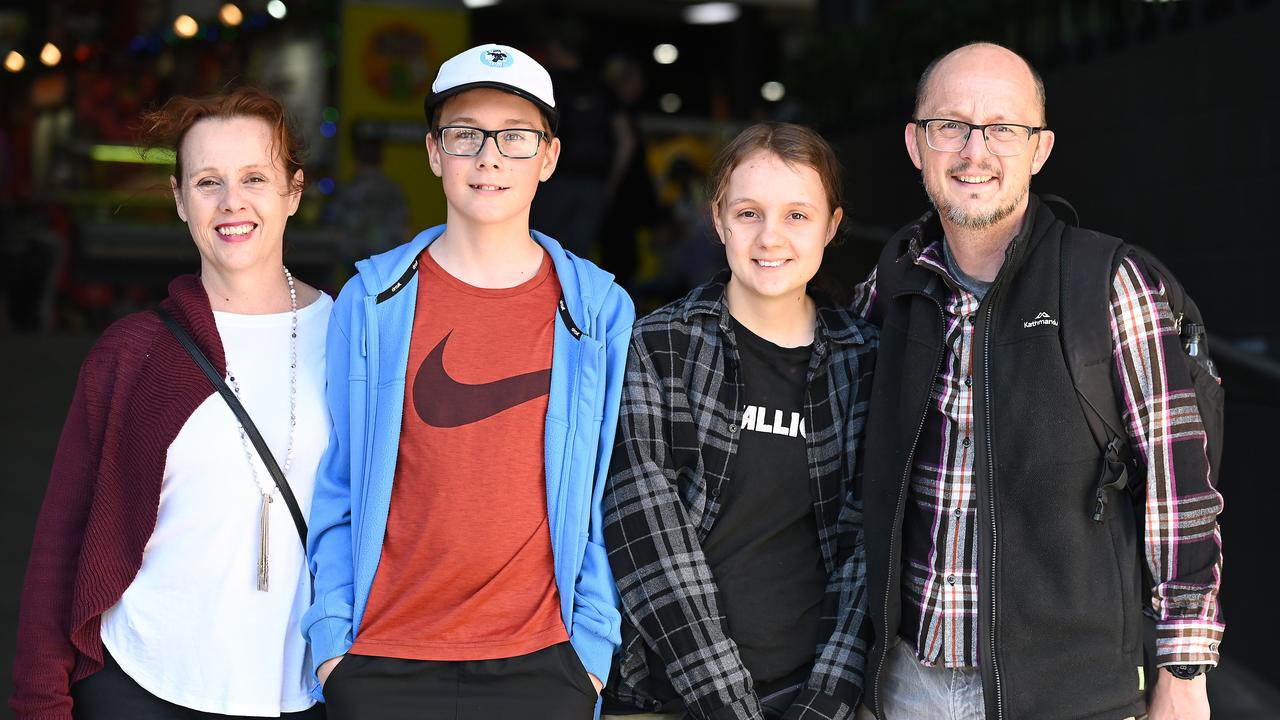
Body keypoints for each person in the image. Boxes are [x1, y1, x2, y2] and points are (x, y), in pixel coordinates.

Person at [851, 42, 1223, 720]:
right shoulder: (890, 286)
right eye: (950, 126)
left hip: (1070, 695)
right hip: (905, 688)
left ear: (1040, 149)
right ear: (915, 144)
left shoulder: (1109, 285)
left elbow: (1180, 486)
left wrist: (1183, 671)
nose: (974, 150)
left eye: (1002, 128)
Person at [303, 43, 635, 720]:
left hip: (543, 661)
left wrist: (592, 652)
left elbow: (613, 487)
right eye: (465, 135)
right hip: (382, 657)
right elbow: (337, 484)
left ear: (549, 157)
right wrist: (334, 644)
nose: (489, 157)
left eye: (516, 137)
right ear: (434, 153)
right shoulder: (370, 303)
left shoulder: (599, 310)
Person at [10, 86, 331, 719]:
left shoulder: (355, 341)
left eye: (254, 177)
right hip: (141, 684)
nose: (231, 201)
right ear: (181, 201)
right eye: (207, 181)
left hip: (306, 692)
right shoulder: (132, 352)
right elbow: (62, 541)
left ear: (293, 191)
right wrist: (40, 703)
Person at [603, 122, 877, 720]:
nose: (770, 237)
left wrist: (826, 705)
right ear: (719, 220)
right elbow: (646, 535)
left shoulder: (867, 360)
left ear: (832, 226)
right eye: (749, 213)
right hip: (677, 697)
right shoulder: (658, 347)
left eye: (797, 216)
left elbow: (871, 550)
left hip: (816, 697)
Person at [325, 128, 409, 280]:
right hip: (386, 260)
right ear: (381, 159)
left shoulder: (347, 189)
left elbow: (335, 226)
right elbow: (403, 229)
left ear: (356, 159)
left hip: (353, 261)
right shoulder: (393, 190)